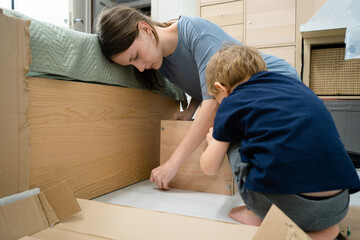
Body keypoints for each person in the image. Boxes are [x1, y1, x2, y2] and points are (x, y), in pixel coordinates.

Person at [96, 5, 300, 190]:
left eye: (136, 56)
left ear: (145, 29)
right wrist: (191, 110)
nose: (140, 67)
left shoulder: (195, 31)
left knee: (240, 145)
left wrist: (173, 163)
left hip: (274, 83)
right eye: (132, 65)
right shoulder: (160, 61)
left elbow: (213, 103)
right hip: (244, 100)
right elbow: (204, 82)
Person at [200, 44, 360, 240]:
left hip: (291, 205)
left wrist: (213, 138)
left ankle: (257, 212)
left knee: (230, 138)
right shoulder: (295, 86)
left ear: (220, 88)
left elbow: (209, 167)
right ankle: (323, 229)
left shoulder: (232, 100)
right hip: (339, 203)